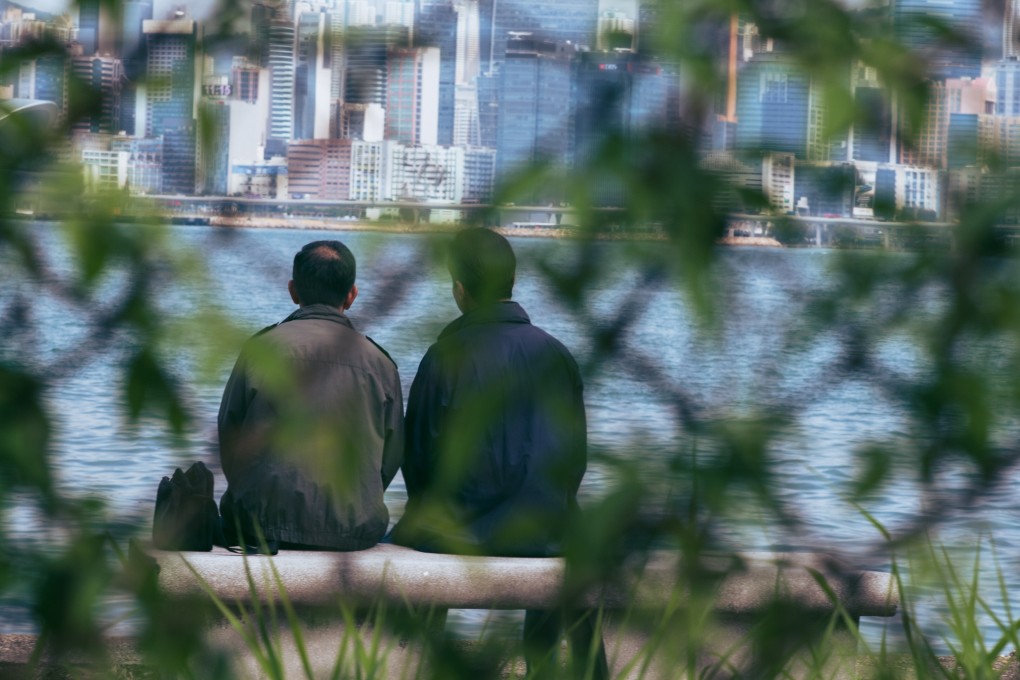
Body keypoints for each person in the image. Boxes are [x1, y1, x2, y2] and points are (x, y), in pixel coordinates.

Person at [391, 227, 605, 677]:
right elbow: (574, 463)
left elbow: (417, 462)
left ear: (459, 289)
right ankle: (547, 660)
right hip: (546, 534)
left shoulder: (444, 355)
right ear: (512, 281)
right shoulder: (558, 355)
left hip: (456, 535)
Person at [217, 240, 403, 552]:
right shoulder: (381, 363)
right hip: (353, 531)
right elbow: (391, 457)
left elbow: (228, 437)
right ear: (352, 294)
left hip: (260, 527)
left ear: (293, 290)